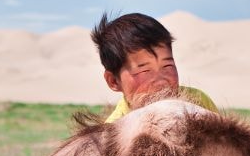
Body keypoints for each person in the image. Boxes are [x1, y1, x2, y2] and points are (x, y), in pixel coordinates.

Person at [90, 12, 218, 122]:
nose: (161, 81)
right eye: (145, 70)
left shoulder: (199, 102)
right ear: (113, 81)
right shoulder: (113, 133)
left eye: (167, 66)